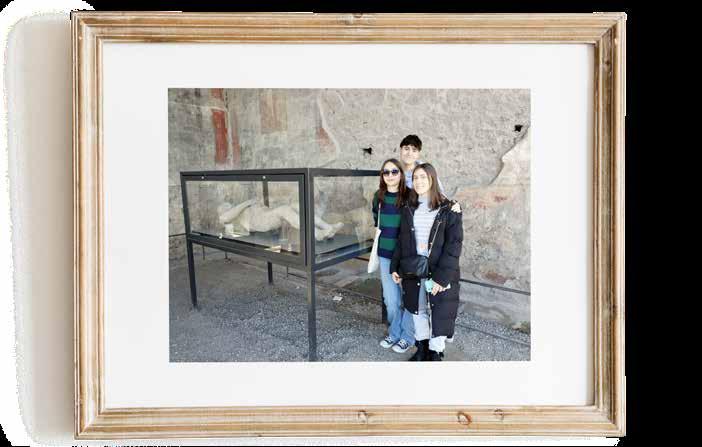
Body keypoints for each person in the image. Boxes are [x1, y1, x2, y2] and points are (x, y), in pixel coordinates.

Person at [390, 163, 463, 361]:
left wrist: (442, 278)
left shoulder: (449, 209)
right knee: (418, 309)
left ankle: (435, 351)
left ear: (432, 179)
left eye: (423, 177)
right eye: (415, 177)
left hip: (438, 270)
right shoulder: (408, 207)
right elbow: (402, 240)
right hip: (414, 269)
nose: (419, 181)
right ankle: (422, 348)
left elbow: (454, 245)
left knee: (439, 311)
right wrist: (395, 267)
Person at [372, 159, 416, 354]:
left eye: (394, 171)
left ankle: (407, 336)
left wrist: (453, 205)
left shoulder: (410, 195)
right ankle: (395, 332)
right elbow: (377, 221)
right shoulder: (378, 196)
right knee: (391, 300)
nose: (390, 175)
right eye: (386, 172)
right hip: (385, 255)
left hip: (406, 256)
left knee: (409, 299)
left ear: (401, 174)